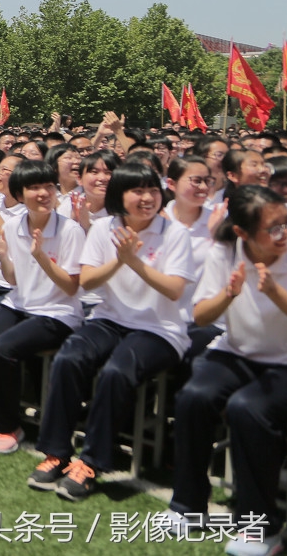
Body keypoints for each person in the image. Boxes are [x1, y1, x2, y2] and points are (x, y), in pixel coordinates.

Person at [28, 161, 197, 502]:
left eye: (152, 190)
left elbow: (175, 290)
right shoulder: (104, 228)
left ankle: (91, 462)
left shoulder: (175, 233)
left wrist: (135, 262)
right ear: (121, 195)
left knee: (116, 372)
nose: (147, 197)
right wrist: (120, 260)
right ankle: (57, 452)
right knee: (69, 358)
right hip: (110, 318)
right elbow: (87, 281)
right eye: (138, 190)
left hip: (159, 329)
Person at [166, 186, 287, 555]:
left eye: (286, 223)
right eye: (274, 228)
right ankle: (188, 506)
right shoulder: (225, 251)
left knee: (248, 409)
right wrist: (229, 294)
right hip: (237, 352)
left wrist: (274, 293)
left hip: (286, 363)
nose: (284, 233)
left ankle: (260, 527)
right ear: (242, 233)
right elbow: (201, 315)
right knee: (194, 397)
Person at [0, 160, 85, 454]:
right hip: (20, 301)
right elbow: (12, 278)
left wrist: (43, 256)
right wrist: (6, 256)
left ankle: (9, 427)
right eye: (34, 188)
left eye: (49, 186)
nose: (44, 193)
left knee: (2, 348)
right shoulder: (13, 226)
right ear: (20, 195)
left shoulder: (70, 230)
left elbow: (71, 287)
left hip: (57, 312)